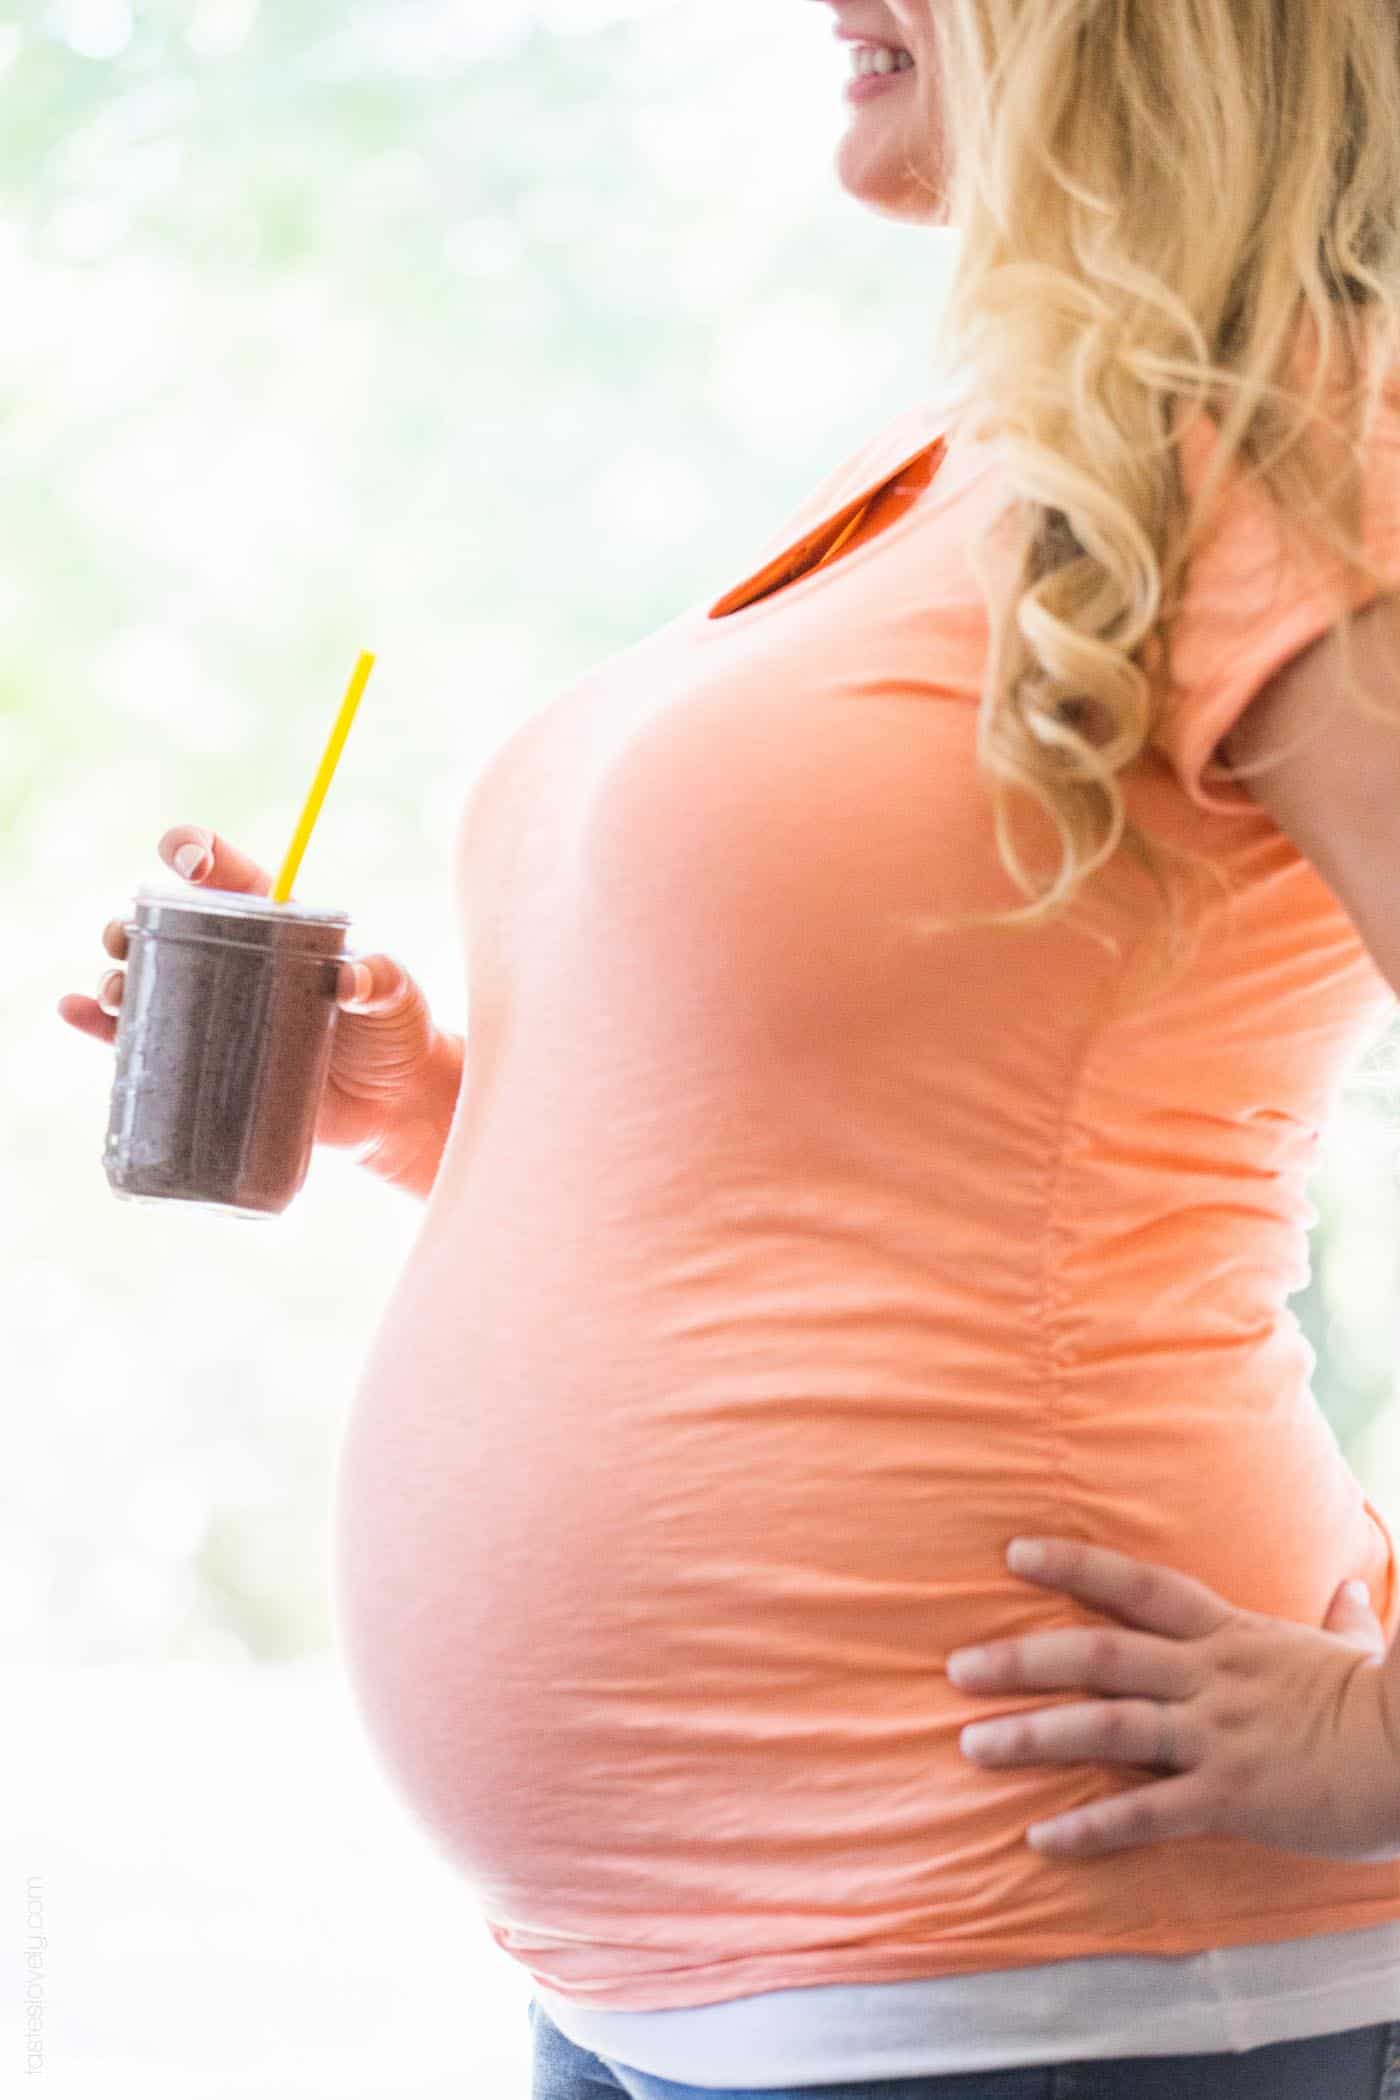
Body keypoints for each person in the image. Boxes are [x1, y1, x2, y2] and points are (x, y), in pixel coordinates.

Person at [57, 1, 1400, 2095]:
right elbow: (860, 1147)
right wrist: (440, 1116)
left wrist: (1393, 1733)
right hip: (668, 1979)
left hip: (1037, 1956)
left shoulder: (1297, 423)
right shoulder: (981, 473)